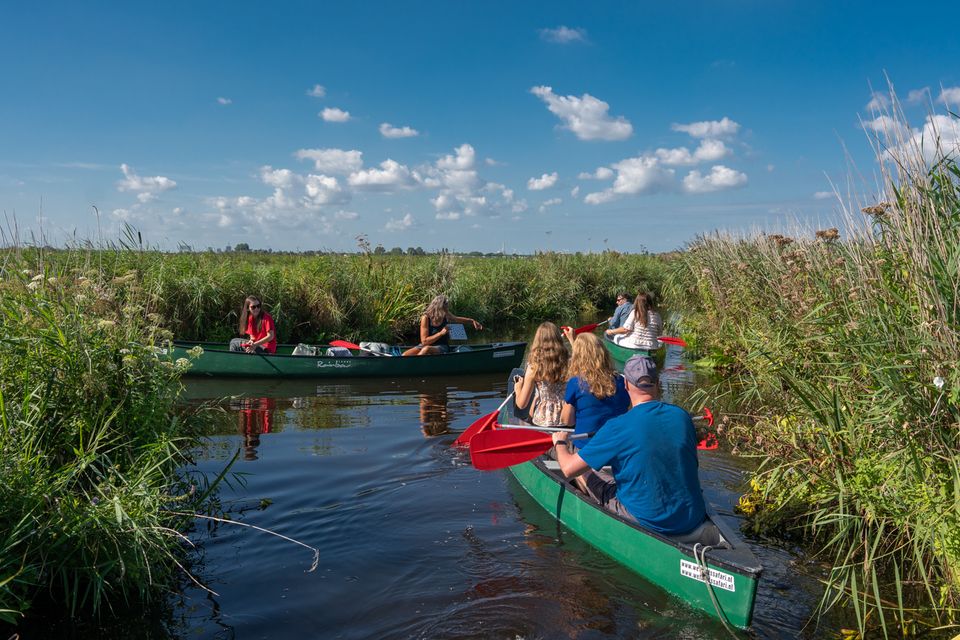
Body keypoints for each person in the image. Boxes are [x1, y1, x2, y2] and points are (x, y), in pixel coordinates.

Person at [551, 355, 707, 538]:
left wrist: (560, 442)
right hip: (692, 518)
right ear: (657, 383)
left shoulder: (617, 426)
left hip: (647, 520)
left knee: (586, 472)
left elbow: (568, 469)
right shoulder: (682, 416)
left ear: (625, 385)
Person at [557, 330, 630, 447]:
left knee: (557, 445)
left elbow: (567, 421)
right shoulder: (620, 380)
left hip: (586, 447)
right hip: (616, 445)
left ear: (577, 357)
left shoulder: (576, 382)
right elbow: (626, 409)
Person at [514, 322, 570, 426]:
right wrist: (573, 339)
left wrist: (518, 389)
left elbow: (522, 404)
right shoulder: (569, 362)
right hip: (567, 417)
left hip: (542, 421)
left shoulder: (533, 367)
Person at [402, 294, 482, 356]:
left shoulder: (445, 314)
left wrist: (472, 321)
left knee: (426, 350)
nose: (447, 309)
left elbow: (456, 319)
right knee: (405, 355)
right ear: (440, 307)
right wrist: (441, 333)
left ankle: (415, 367)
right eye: (446, 306)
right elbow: (424, 341)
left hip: (442, 347)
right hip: (426, 345)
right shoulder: (425, 318)